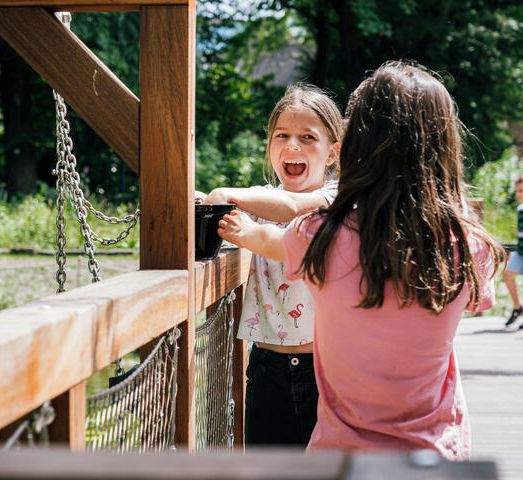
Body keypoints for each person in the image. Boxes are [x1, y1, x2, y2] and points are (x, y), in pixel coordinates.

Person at [217, 61, 504, 460]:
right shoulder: (469, 246)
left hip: (340, 454)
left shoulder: (322, 234)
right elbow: (478, 300)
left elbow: (272, 239)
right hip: (435, 454)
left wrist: (236, 221)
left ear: (355, 146)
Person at [201, 83, 343, 446]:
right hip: (266, 365)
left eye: (308, 137)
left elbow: (289, 208)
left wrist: (227, 197)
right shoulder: (259, 202)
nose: (293, 146)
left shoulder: (337, 197)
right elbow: (261, 204)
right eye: (282, 135)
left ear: (332, 153)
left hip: (328, 370)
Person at [503, 174, 523, 330]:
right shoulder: (520, 209)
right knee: (507, 275)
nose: (518, 194)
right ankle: (518, 307)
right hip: (520, 251)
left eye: (522, 191)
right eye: (517, 190)